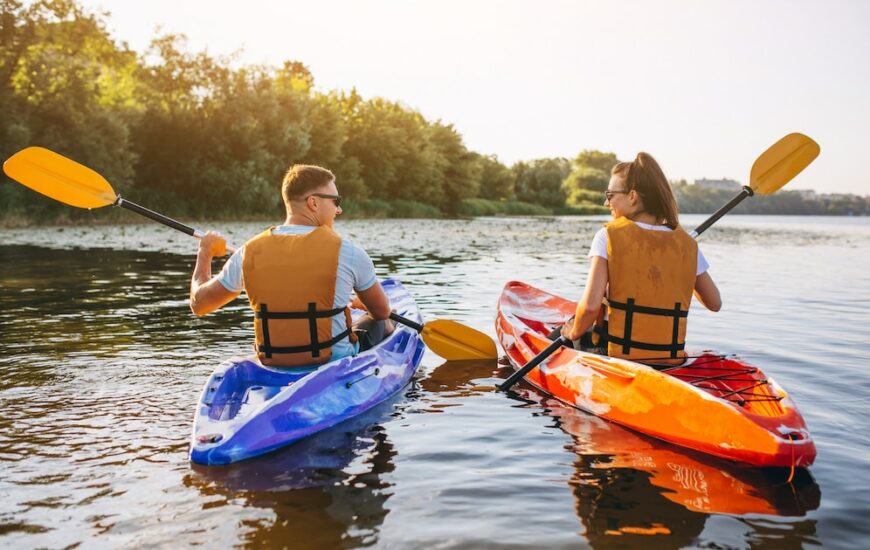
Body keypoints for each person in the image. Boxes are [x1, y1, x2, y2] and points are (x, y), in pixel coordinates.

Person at [189, 164, 394, 367]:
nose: (338, 209)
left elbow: (199, 304)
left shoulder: (248, 251)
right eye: (335, 201)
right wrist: (364, 303)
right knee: (383, 322)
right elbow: (381, 311)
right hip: (334, 361)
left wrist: (204, 252)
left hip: (273, 361)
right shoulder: (349, 252)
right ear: (313, 202)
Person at [560, 153, 721, 365]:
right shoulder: (686, 244)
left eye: (610, 195)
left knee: (562, 333)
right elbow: (714, 303)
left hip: (615, 353)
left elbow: (590, 308)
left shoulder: (608, 236)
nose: (606, 203)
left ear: (632, 196)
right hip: (667, 358)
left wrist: (572, 333)